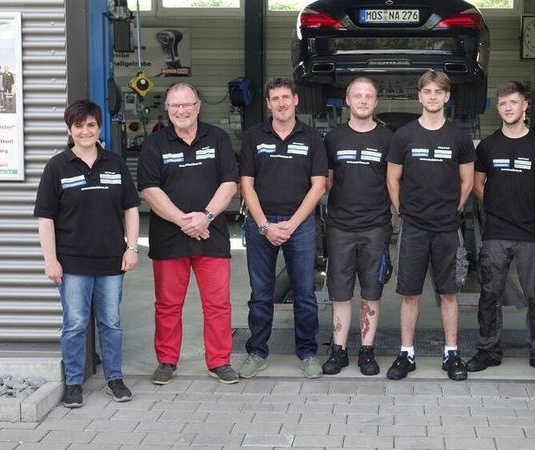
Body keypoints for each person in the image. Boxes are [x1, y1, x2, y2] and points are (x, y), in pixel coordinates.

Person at [34, 99, 140, 408]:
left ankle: (115, 379)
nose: (85, 131)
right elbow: (45, 219)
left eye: (91, 125)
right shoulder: (57, 167)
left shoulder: (115, 163)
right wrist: (50, 260)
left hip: (110, 260)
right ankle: (74, 383)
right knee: (75, 323)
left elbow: (130, 209)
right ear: (70, 129)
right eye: (78, 126)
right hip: (72, 263)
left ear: (99, 127)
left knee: (111, 322)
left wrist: (131, 248)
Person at [137, 82, 239, 385]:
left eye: (186, 104)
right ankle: (167, 360)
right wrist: (185, 221)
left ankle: (219, 361)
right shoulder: (155, 144)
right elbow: (149, 190)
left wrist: (205, 217)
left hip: (213, 233)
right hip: (170, 237)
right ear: (168, 110)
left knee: (218, 304)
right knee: (167, 304)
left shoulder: (217, 138)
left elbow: (230, 183)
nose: (181, 110)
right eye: (174, 106)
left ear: (198, 106)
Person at [386, 70, 476, 381]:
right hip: (414, 227)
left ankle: (451, 353)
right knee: (409, 293)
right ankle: (406, 354)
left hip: (447, 228)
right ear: (419, 96)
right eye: (428, 91)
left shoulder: (459, 137)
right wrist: (403, 211)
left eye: (439, 91)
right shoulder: (404, 136)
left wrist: (452, 210)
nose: (433, 96)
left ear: (447, 97)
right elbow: (392, 179)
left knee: (448, 293)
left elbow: (467, 182)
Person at [238, 77, 328, 379]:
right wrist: (265, 225)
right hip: (260, 224)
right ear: (268, 103)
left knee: (304, 292)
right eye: (275, 98)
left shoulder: (313, 138)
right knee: (261, 293)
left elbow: (318, 186)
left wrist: (292, 223)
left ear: (296, 100)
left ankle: (307, 352)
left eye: (285, 97)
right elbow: (246, 185)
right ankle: (257, 352)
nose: (281, 103)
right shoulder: (253, 136)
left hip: (299, 225)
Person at [467, 81, 535, 376]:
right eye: (503, 104)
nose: (508, 108)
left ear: (524, 106)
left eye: (513, 103)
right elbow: (478, 185)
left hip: (530, 232)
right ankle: (488, 350)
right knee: (490, 294)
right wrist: (497, 204)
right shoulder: (489, 146)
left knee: (534, 296)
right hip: (496, 232)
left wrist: (533, 206)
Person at [321, 77, 393, 376]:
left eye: (369, 96)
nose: (363, 101)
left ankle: (366, 351)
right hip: (340, 227)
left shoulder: (389, 139)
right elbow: (325, 182)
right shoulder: (333, 138)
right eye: (357, 96)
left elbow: (395, 181)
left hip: (376, 227)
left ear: (376, 102)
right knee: (339, 292)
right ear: (347, 101)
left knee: (371, 292)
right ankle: (338, 351)